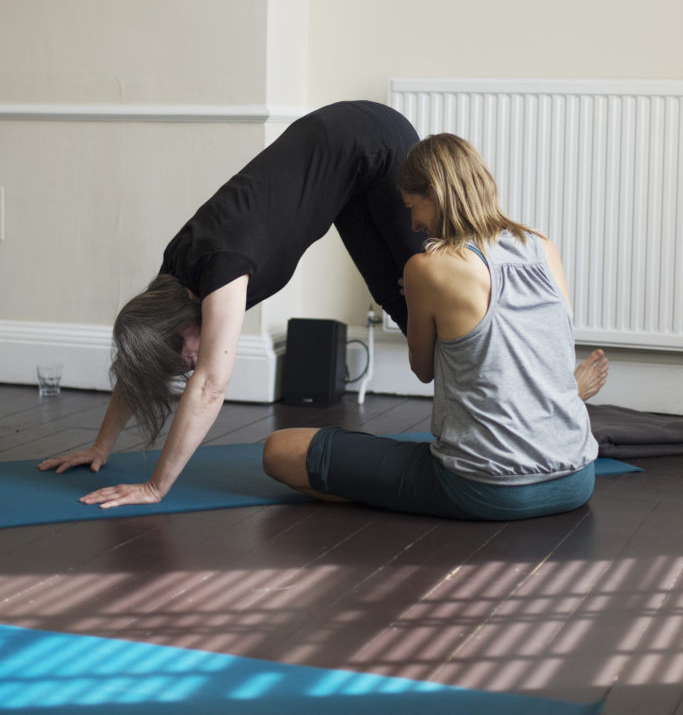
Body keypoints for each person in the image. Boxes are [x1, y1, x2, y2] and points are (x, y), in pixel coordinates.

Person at [38, 101, 426, 508]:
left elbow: (210, 386)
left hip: (375, 139)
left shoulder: (221, 270)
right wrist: (101, 446)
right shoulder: (174, 279)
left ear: (177, 326)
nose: (186, 364)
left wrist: (154, 488)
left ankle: (478, 414)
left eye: (179, 353)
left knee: (419, 283)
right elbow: (143, 351)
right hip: (341, 153)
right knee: (389, 293)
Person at [263, 133, 609, 521]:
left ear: (434, 191)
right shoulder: (542, 246)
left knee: (280, 450)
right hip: (576, 480)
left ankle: (386, 496)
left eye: (413, 207)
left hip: (484, 490)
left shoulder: (427, 267)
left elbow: (423, 371)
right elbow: (539, 345)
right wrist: (569, 391)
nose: (413, 223)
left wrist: (418, 296)